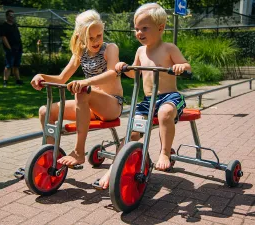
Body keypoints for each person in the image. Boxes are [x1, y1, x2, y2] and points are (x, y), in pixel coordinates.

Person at [96, 3, 191, 190]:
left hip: (169, 97)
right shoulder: (140, 51)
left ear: (161, 27)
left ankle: (164, 153)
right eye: (137, 29)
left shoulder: (169, 48)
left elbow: (186, 66)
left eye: (144, 28)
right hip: (148, 101)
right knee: (132, 130)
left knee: (164, 114)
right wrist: (124, 68)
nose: (139, 32)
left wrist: (181, 67)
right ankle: (115, 167)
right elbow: (134, 73)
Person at [31, 10, 123, 167]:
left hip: (111, 105)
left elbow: (112, 73)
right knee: (45, 111)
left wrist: (86, 82)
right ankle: (50, 158)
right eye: (90, 38)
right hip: (88, 105)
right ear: (80, 37)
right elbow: (61, 78)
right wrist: (42, 76)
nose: (95, 41)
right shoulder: (80, 52)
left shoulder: (110, 48)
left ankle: (79, 152)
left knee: (82, 92)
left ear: (103, 30)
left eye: (99, 36)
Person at [0, 9, 23, 87]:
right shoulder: (3, 26)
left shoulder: (14, 25)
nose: (12, 17)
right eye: (10, 15)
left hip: (18, 48)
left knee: (16, 65)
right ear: (7, 16)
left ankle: (18, 80)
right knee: (8, 65)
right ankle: (5, 81)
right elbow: (3, 37)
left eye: (13, 15)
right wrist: (9, 48)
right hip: (10, 49)